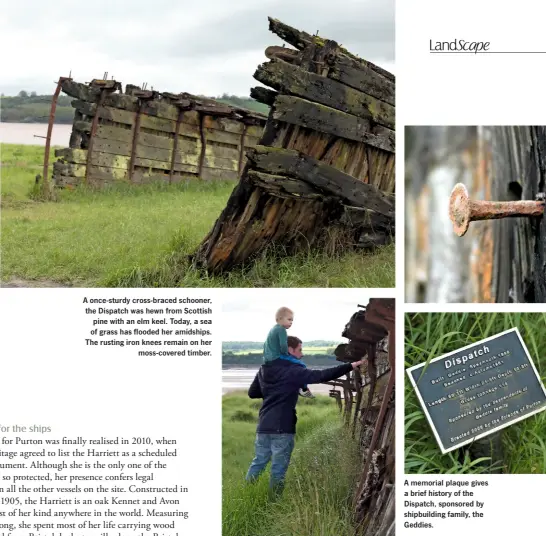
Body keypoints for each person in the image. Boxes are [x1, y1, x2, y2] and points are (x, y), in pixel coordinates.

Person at [246, 336, 364, 494]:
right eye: (299, 350)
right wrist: (350, 366)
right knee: (278, 469)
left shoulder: (264, 368)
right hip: (283, 426)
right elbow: (321, 375)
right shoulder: (294, 370)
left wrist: (275, 390)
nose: (301, 354)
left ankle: (246, 493)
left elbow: (253, 393)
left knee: (258, 462)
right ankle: (273, 501)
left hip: (264, 425)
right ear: (289, 350)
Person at [263, 307, 313, 397]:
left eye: (292, 320)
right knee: (301, 365)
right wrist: (286, 354)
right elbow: (283, 345)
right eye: (289, 319)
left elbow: (266, 345)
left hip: (268, 359)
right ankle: (304, 389)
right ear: (280, 319)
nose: (291, 322)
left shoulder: (272, 329)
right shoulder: (281, 330)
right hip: (276, 357)